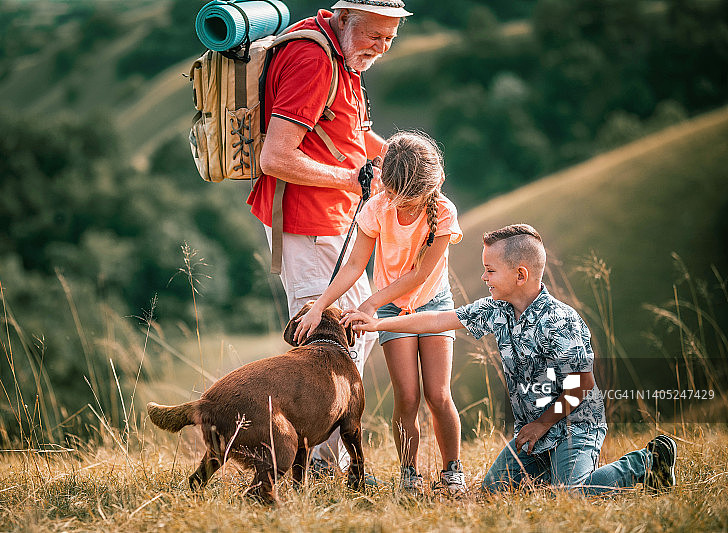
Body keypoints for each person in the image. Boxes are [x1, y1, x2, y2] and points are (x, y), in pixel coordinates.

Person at [342, 224, 678, 495]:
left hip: (574, 426)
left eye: (490, 271)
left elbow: (581, 386)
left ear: (520, 275)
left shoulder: (561, 321)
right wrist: (377, 323)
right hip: (533, 432)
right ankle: (554, 473)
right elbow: (436, 320)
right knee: (492, 491)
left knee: (571, 495)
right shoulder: (495, 310)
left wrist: (541, 424)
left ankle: (648, 462)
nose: (484, 278)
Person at [249, 0, 412, 476]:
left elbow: (352, 134)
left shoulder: (343, 55)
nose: (380, 49)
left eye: (389, 40)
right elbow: (275, 157)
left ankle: (323, 459)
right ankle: (316, 462)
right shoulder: (314, 61)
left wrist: (404, 158)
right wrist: (351, 180)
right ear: (343, 18)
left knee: (352, 334)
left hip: (333, 222)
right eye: (373, 37)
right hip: (309, 226)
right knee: (325, 346)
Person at [294, 130, 467, 495]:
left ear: (430, 190)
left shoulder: (445, 213)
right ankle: (409, 474)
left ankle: (453, 472)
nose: (400, 207)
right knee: (407, 396)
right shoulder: (377, 206)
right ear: (386, 186)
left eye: (410, 202)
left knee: (438, 394)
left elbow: (420, 273)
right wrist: (320, 307)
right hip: (391, 306)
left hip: (433, 303)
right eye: (396, 198)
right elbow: (355, 264)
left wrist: (370, 304)